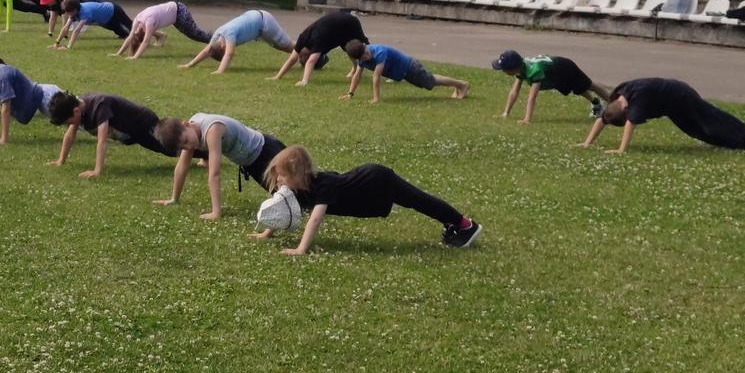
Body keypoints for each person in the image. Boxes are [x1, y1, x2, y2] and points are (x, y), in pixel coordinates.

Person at [253, 146, 482, 253]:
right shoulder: (297, 188)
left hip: (376, 182)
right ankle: (454, 224)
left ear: (297, 173)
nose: (279, 181)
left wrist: (300, 249)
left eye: (282, 176)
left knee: (419, 200)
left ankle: (465, 225)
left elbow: (314, 220)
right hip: (365, 188)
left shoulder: (322, 186)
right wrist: (266, 232)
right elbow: (281, 209)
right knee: (418, 203)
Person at [151, 112, 288, 220]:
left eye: (186, 141)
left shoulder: (212, 130)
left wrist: (216, 212)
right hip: (251, 164)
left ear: (186, 124)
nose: (189, 147)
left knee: (299, 193)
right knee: (286, 198)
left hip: (267, 152)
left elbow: (214, 174)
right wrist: (174, 198)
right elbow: (181, 167)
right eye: (183, 147)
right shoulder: (191, 132)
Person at [582, 78, 745, 154]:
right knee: (696, 130)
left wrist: (621, 150)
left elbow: (630, 124)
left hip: (681, 95)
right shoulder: (617, 98)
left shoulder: (637, 99)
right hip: (669, 106)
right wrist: (587, 143)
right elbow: (603, 118)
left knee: (708, 120)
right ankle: (738, 143)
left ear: (626, 109)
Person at [49, 89, 169, 177]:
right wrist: (61, 160)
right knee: (167, 147)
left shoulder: (99, 106)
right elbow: (70, 135)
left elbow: (102, 141)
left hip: (143, 124)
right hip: (131, 132)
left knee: (168, 147)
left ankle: (185, 138)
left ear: (76, 111)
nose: (68, 125)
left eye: (67, 122)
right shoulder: (79, 107)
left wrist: (97, 170)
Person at [0, 54, 63, 144]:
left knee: (75, 117)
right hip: (40, 100)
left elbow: (5, 110)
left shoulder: (0, 78)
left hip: (46, 98)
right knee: (73, 120)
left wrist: (3, 139)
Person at [493, 50, 612, 123]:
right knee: (578, 89)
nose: (503, 71)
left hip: (564, 67)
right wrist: (506, 113)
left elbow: (532, 97)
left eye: (504, 69)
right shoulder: (521, 68)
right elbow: (514, 92)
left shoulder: (534, 70)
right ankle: (597, 104)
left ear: (513, 68)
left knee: (589, 86)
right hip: (554, 75)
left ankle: (614, 102)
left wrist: (527, 119)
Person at [340, 39, 469, 102]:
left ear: (365, 46)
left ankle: (462, 85)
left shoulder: (379, 52)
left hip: (410, 68)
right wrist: (350, 94)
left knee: (430, 81)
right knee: (430, 81)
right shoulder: (362, 59)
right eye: (363, 57)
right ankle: (457, 85)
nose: (367, 57)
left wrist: (376, 98)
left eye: (366, 53)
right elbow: (357, 74)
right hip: (404, 72)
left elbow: (376, 76)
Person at [179, 9, 294, 73]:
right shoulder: (217, 36)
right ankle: (305, 50)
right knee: (282, 47)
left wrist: (220, 71)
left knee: (287, 47)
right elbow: (207, 51)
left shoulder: (229, 33)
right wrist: (190, 64)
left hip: (264, 21)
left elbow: (229, 53)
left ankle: (307, 48)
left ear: (223, 48)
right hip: (255, 19)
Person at [271, 9, 369, 85]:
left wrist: (303, 81)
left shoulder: (310, 39)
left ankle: (379, 63)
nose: (299, 55)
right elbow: (297, 59)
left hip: (349, 21)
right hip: (337, 27)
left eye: (300, 56)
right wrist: (278, 77)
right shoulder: (310, 41)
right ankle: (355, 69)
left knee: (364, 46)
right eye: (302, 57)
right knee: (349, 48)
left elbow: (308, 61)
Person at [114, 0, 212, 59]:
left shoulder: (148, 21)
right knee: (193, 35)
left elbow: (146, 41)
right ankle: (213, 42)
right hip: (174, 15)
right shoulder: (139, 20)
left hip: (179, 10)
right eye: (139, 31)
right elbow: (130, 37)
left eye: (139, 29)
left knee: (195, 34)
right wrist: (118, 53)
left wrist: (135, 57)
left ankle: (215, 40)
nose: (137, 29)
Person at [52, 0, 134, 49]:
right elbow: (65, 28)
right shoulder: (73, 13)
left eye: (69, 11)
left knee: (130, 25)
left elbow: (76, 30)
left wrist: (68, 47)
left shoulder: (85, 11)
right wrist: (57, 43)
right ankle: (132, 39)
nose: (67, 14)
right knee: (120, 32)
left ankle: (143, 37)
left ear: (75, 9)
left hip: (114, 10)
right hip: (105, 20)